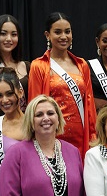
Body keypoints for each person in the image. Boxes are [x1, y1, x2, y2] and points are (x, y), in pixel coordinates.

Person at [28, 12, 97, 156]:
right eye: (57, 32)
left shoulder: (82, 65)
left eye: (67, 31)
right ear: (48, 35)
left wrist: (93, 134)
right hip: (52, 133)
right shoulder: (39, 66)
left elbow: (89, 105)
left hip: (81, 135)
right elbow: (34, 106)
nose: (64, 36)